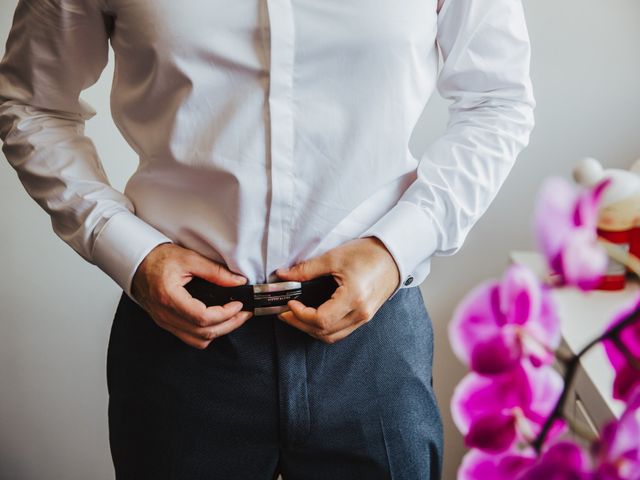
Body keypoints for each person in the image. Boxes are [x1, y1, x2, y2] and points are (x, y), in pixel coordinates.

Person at [0, 0, 535, 478]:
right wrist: (127, 249)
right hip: (182, 345)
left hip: (373, 346)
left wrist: (394, 249)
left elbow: (496, 100)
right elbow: (32, 103)